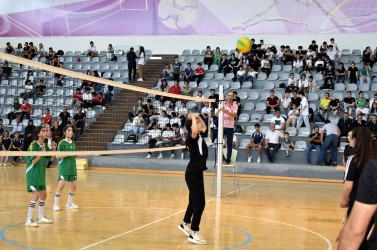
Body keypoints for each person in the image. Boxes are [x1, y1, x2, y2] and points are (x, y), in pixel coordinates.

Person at [338, 127, 374, 249]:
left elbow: (349, 185)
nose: (349, 140)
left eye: (351, 137)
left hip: (360, 201)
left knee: (357, 237)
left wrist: (344, 199)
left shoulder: (354, 158)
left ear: (356, 139)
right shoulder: (373, 158)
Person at [178, 113, 208, 245]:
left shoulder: (199, 135)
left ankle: (185, 224)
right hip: (192, 173)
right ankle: (194, 232)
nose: (200, 124)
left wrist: (197, 117)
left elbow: (204, 127)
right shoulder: (192, 137)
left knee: (193, 201)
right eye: (197, 123)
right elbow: (195, 129)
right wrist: (193, 117)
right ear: (192, 127)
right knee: (200, 203)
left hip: (196, 172)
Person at [25, 126, 55, 227]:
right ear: (38, 134)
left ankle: (40, 217)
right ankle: (28, 220)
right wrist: (41, 153)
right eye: (44, 131)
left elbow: (50, 159)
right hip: (32, 173)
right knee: (36, 195)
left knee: (44, 194)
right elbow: (33, 161)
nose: (46, 132)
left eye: (46, 131)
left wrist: (54, 150)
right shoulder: (33, 145)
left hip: (41, 174)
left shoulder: (45, 145)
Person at [53, 126, 80, 211]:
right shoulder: (61, 143)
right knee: (61, 185)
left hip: (72, 167)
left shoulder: (74, 143)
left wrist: (83, 154)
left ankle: (69, 203)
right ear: (65, 132)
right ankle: (55, 204)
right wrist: (67, 154)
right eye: (69, 131)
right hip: (64, 166)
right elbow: (57, 156)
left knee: (74, 185)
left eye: (71, 131)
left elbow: (74, 155)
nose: (71, 132)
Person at [215, 91, 238, 164]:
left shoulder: (235, 105)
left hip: (230, 127)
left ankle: (228, 159)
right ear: (227, 96)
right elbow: (216, 115)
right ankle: (222, 157)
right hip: (222, 126)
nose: (230, 97)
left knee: (229, 144)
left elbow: (234, 114)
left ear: (233, 97)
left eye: (231, 96)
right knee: (218, 142)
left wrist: (225, 111)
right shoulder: (222, 104)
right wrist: (219, 111)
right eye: (229, 95)